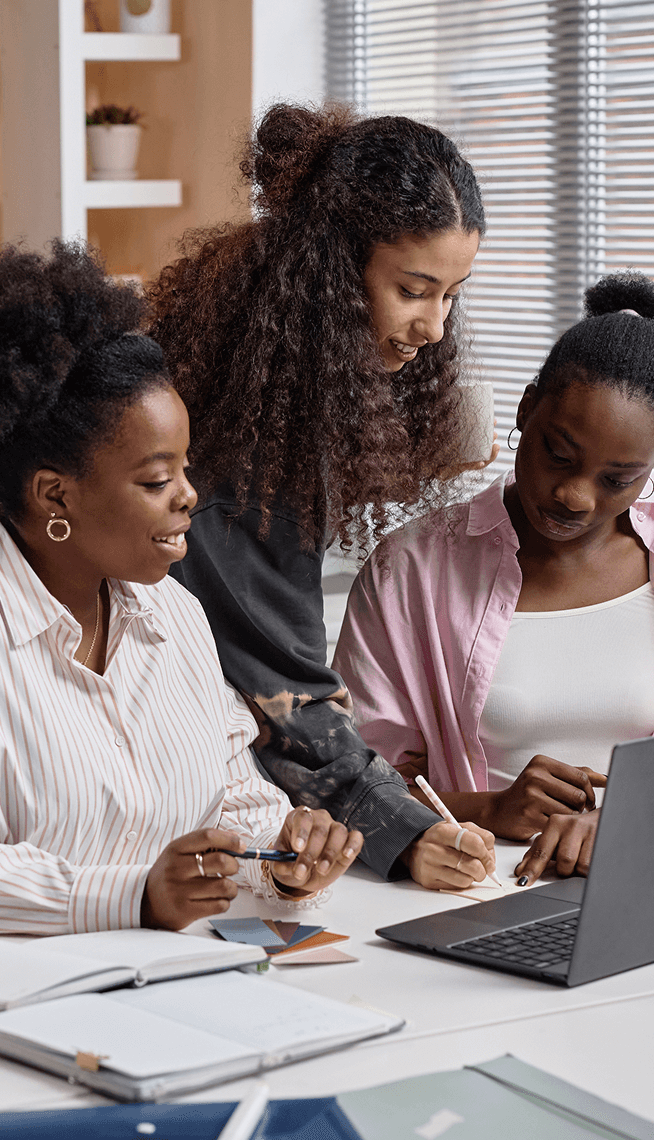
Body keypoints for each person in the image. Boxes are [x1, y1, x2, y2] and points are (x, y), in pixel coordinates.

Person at [0, 241, 364, 934]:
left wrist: (282, 857)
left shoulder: (175, 616)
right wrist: (133, 896)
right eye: (155, 479)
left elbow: (231, 802)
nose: (188, 497)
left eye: (184, 468)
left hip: (127, 975)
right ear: (56, 495)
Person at [335, 271, 654, 884]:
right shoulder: (414, 568)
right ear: (526, 409)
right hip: (472, 890)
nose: (576, 496)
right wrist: (490, 810)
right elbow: (353, 784)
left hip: (650, 876)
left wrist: (628, 818)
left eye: (618, 478)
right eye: (559, 454)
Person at [148, 102, 496, 891]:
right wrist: (406, 834)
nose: (436, 326)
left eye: (451, 295)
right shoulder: (233, 452)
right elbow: (281, 693)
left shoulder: (261, 387)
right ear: (335, 274)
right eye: (414, 290)